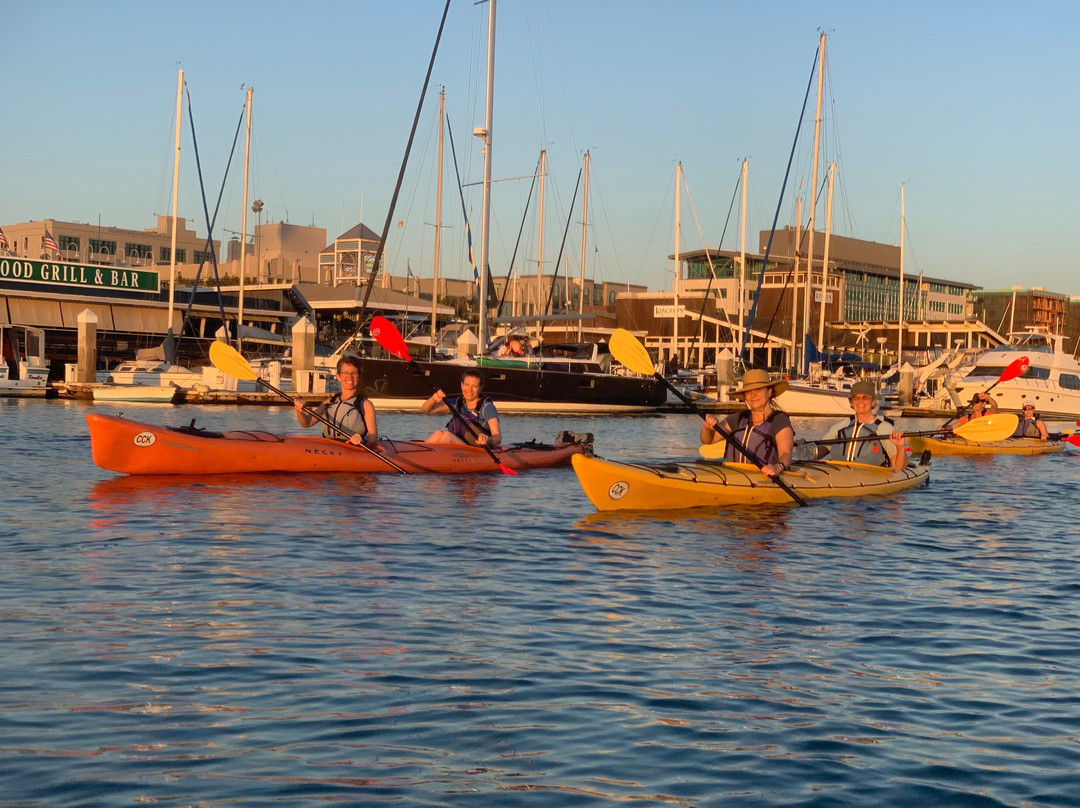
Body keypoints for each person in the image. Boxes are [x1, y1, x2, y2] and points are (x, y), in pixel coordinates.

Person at [700, 369, 793, 478]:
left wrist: (777, 467)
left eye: (758, 390)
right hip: (733, 477)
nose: (753, 395)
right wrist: (707, 428)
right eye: (748, 391)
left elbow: (785, 453)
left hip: (763, 478)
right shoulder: (737, 419)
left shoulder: (779, 420)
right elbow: (708, 440)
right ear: (745, 396)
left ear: (769, 392)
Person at [818, 380, 907, 470]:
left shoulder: (884, 429)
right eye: (856, 397)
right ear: (852, 402)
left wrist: (900, 447)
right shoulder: (842, 426)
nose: (860, 401)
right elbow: (822, 448)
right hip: (841, 475)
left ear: (873, 402)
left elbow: (899, 467)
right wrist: (807, 449)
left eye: (865, 397)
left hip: (872, 477)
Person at [294, 356, 378, 446]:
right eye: (345, 373)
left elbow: (373, 437)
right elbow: (306, 423)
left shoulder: (365, 404)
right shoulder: (328, 402)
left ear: (359, 377)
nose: (349, 377)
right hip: (329, 448)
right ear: (338, 376)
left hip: (352, 449)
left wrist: (363, 439)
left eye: (354, 373)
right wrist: (300, 412)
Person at [422, 369, 502, 447]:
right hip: (460, 447)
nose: (469, 390)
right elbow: (426, 410)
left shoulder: (487, 408)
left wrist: (487, 439)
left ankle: (434, 458)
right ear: (462, 385)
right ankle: (421, 455)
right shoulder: (457, 403)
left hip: (477, 451)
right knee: (438, 433)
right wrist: (433, 399)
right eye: (466, 385)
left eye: (474, 386)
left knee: (447, 436)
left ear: (480, 388)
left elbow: (497, 438)